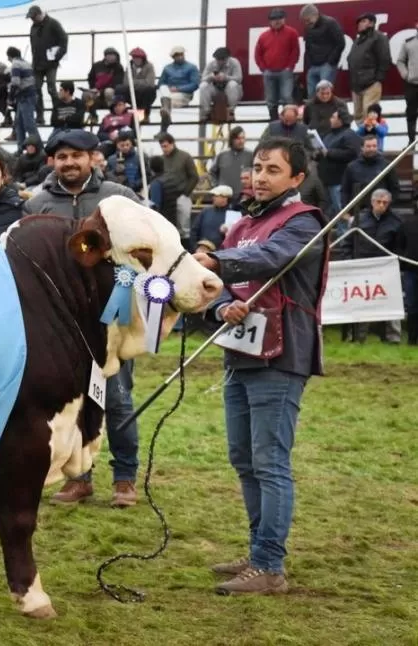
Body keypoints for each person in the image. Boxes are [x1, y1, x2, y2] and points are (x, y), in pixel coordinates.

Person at [194, 137, 328, 595]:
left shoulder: (303, 223)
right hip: (241, 353)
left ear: (296, 178)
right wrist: (219, 309)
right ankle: (257, 552)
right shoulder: (240, 226)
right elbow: (221, 289)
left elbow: (270, 258)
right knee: (244, 459)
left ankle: (270, 566)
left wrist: (216, 259)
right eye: (257, 167)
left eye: (273, 169)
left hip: (283, 352)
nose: (261, 176)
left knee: (270, 461)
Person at [22, 129, 143, 507]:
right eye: (62, 157)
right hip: (60, 326)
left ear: (94, 158)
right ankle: (79, 477)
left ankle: (125, 478)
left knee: (118, 400)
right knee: (72, 402)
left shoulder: (119, 198)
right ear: (51, 162)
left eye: (77, 155)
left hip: (112, 318)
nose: (69, 162)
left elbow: (144, 247)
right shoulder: (37, 205)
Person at [340, 189, 402, 344]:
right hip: (362, 268)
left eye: (385, 202)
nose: (381, 205)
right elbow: (347, 243)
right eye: (378, 202)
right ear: (372, 202)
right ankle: (358, 337)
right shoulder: (359, 219)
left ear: (389, 204)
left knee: (391, 301)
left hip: (386, 269)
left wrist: (395, 264)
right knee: (361, 303)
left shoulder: (396, 221)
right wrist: (349, 262)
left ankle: (393, 338)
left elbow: (400, 247)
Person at [255, 8, 301, 120]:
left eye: (279, 18)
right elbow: (257, 54)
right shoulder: (263, 36)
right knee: (270, 99)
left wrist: (290, 67)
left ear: (284, 19)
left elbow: (295, 51)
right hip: (269, 72)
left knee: (287, 97)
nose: (277, 21)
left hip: (285, 72)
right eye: (273, 19)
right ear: (270, 21)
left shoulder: (292, 33)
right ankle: (274, 122)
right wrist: (263, 69)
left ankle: (288, 120)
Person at [26, 5, 68, 125]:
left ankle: (58, 115)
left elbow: (64, 38)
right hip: (37, 63)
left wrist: (58, 55)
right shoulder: (33, 27)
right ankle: (40, 116)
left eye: (34, 17)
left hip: (51, 63)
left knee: (51, 88)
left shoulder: (53, 23)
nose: (32, 20)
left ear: (39, 14)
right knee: (36, 89)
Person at [347, 12, 392, 121]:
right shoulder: (357, 41)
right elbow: (351, 58)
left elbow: (385, 59)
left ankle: (371, 137)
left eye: (363, 21)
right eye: (358, 22)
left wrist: (377, 79)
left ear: (372, 23)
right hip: (356, 86)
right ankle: (362, 138)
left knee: (369, 117)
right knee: (358, 117)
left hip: (371, 85)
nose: (359, 24)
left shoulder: (379, 38)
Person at [159, 132, 200, 246]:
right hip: (167, 199)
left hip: (182, 196)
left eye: (166, 146)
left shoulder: (185, 157)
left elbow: (194, 176)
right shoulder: (162, 159)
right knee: (168, 226)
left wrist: (185, 193)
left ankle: (186, 249)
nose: (164, 149)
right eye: (162, 147)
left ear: (172, 144)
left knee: (184, 228)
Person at [300, 4, 346, 92]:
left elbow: (340, 43)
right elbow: (308, 46)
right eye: (304, 21)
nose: (306, 23)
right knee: (311, 96)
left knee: (325, 94)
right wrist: (308, 64)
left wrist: (330, 61)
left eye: (308, 20)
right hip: (312, 66)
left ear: (316, 15)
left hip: (327, 66)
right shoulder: (308, 27)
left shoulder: (330, 23)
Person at [199, 47, 244, 122]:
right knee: (203, 86)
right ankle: (207, 112)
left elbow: (239, 79)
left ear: (227, 58)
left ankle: (230, 112)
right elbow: (202, 79)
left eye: (222, 59)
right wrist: (211, 77)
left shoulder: (235, 63)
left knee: (232, 84)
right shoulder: (211, 64)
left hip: (230, 90)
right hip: (216, 89)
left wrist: (226, 77)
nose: (220, 61)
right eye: (218, 59)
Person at [6, 46, 38, 150]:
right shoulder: (27, 63)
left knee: (29, 125)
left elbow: (15, 82)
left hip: (25, 96)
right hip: (28, 96)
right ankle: (20, 150)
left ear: (9, 56)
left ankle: (39, 149)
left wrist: (10, 97)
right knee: (19, 124)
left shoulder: (15, 64)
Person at [209, 126, 254, 199]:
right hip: (224, 197)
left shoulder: (250, 155)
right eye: (238, 138)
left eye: (243, 138)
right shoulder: (222, 155)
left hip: (244, 197)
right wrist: (217, 187)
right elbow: (212, 173)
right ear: (232, 140)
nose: (241, 141)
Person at [114, 48, 157, 122]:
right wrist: (141, 82)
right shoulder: (129, 67)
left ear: (143, 58)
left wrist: (134, 82)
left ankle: (144, 116)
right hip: (132, 92)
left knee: (149, 90)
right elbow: (126, 83)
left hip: (144, 94)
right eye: (134, 57)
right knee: (119, 88)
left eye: (138, 58)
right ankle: (119, 114)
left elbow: (150, 83)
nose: (136, 59)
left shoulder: (149, 66)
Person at [191, 185, 235, 253]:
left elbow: (235, 238)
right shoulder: (205, 212)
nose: (213, 198)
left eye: (216, 196)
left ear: (225, 198)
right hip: (201, 252)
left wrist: (227, 232)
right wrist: (195, 248)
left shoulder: (232, 215)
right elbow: (194, 231)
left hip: (221, 255)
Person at [400, 199, 418, 344]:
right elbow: (399, 245)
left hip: (411, 271)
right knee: (412, 306)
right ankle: (412, 339)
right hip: (411, 271)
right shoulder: (407, 223)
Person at [398, 19, 418, 142]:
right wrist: (406, 75)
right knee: (411, 114)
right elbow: (400, 61)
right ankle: (411, 142)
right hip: (412, 85)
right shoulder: (408, 44)